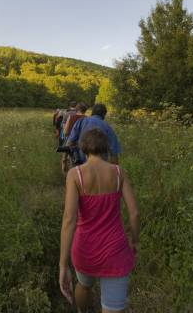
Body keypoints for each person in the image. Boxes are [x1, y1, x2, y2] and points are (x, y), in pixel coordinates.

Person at [58, 128, 139, 313]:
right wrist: (134, 241)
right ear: (105, 148)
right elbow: (134, 213)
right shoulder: (119, 173)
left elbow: (69, 219)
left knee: (84, 285)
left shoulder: (75, 175)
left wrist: (63, 264)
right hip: (115, 251)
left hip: (85, 250)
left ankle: (81, 310)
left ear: (83, 148)